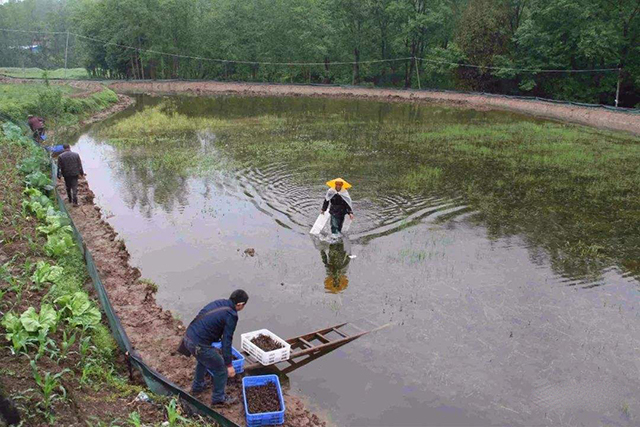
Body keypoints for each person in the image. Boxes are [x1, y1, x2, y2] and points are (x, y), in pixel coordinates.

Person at [183, 289, 249, 406]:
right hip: (198, 344)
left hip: (188, 337)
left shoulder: (219, 303)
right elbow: (226, 341)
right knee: (221, 368)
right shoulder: (231, 315)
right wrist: (229, 365)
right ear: (240, 304)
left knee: (203, 360)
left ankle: (198, 387)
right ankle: (218, 399)